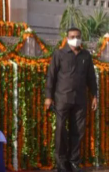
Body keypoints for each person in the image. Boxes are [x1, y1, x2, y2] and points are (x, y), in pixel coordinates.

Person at [44, 27, 98, 172]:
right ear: (67, 38)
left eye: (78, 36)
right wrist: (48, 97)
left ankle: (74, 162)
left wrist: (95, 96)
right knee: (61, 131)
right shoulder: (59, 54)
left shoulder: (86, 56)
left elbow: (91, 77)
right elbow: (51, 76)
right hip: (62, 98)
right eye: (73, 36)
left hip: (80, 100)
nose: (76, 38)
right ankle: (61, 162)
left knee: (78, 132)